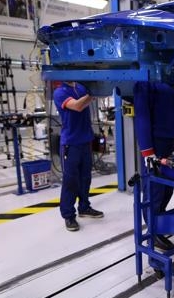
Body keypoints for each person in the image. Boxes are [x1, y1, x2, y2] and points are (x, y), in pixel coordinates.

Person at [131, 81, 174, 251]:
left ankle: (159, 224)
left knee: (168, 189)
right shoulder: (144, 82)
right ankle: (153, 234)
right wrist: (147, 152)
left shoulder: (169, 79)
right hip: (156, 145)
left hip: (169, 143)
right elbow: (142, 117)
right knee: (154, 191)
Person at [53, 82, 104, 232]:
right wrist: (93, 93)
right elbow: (77, 106)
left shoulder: (81, 87)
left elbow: (95, 96)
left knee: (85, 178)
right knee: (71, 181)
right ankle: (68, 215)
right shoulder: (59, 92)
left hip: (85, 141)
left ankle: (84, 207)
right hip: (70, 143)